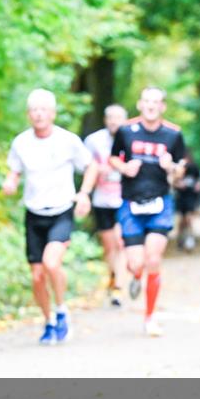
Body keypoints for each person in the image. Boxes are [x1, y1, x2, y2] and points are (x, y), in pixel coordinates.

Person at [3, 89, 98, 345]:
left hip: (61, 210)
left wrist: (84, 194)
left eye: (43, 109)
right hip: (34, 213)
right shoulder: (21, 142)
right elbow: (14, 171)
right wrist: (10, 182)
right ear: (28, 114)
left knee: (51, 263)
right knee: (37, 276)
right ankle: (48, 321)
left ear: (53, 113)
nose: (39, 114)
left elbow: (91, 166)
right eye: (34, 110)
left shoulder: (68, 140)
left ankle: (62, 309)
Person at [109, 87, 186, 337]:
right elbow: (113, 158)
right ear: (140, 104)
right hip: (131, 204)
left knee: (153, 259)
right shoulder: (126, 131)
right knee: (135, 263)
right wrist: (124, 168)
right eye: (147, 101)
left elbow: (181, 169)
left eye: (156, 102)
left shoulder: (173, 134)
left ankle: (150, 317)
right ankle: (135, 274)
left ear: (162, 107)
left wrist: (171, 167)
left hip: (160, 203)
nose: (151, 106)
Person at [83, 104, 128, 307]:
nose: (114, 121)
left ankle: (118, 286)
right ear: (105, 120)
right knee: (109, 246)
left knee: (121, 242)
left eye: (118, 117)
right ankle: (113, 276)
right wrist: (98, 171)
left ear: (125, 120)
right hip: (102, 200)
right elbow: (84, 166)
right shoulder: (94, 141)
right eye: (110, 117)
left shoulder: (131, 138)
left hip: (125, 199)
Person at [174, 156, 200, 251]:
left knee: (189, 219)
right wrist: (178, 184)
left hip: (191, 197)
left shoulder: (194, 168)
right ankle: (180, 240)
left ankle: (191, 239)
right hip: (181, 198)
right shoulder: (177, 168)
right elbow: (173, 182)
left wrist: (198, 186)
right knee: (181, 222)